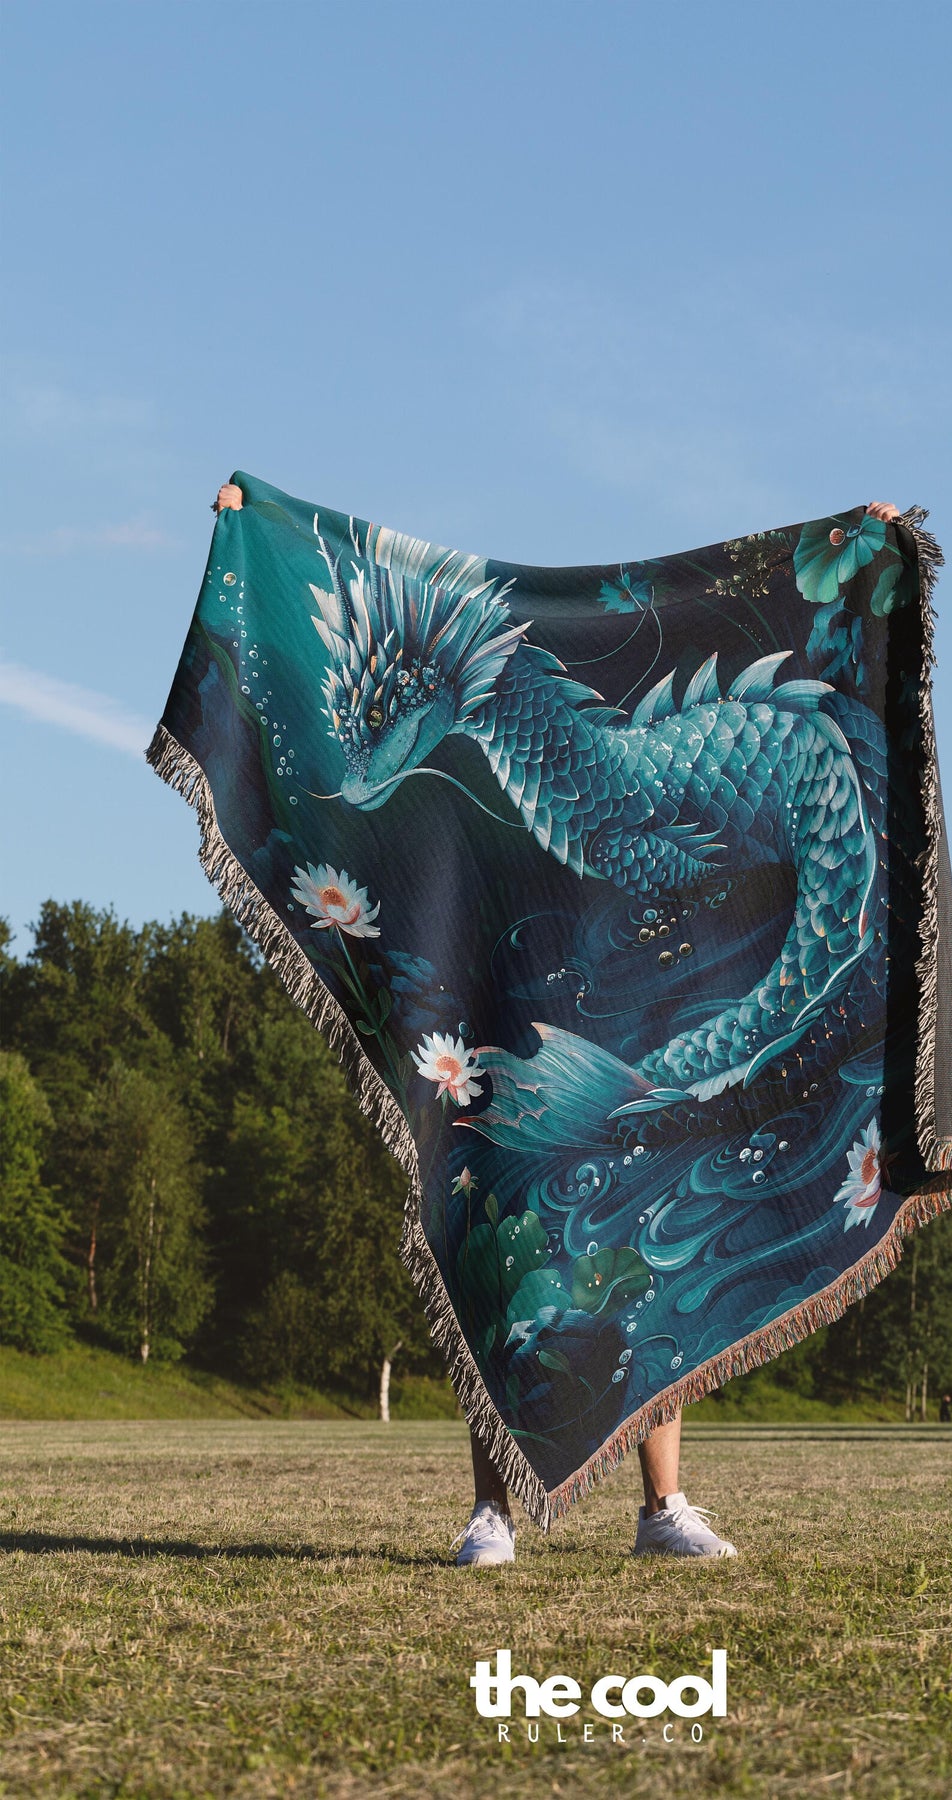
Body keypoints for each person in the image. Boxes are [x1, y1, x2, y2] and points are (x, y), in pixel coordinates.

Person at [213, 481, 902, 1565]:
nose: (379, 756)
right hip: (514, 999)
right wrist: (253, 520)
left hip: (653, 983)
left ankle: (661, 1506)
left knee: (645, 1228)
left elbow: (652, 852)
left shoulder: (561, 743)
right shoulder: (480, 756)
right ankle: (492, 1507)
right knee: (492, 1235)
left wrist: (861, 543)